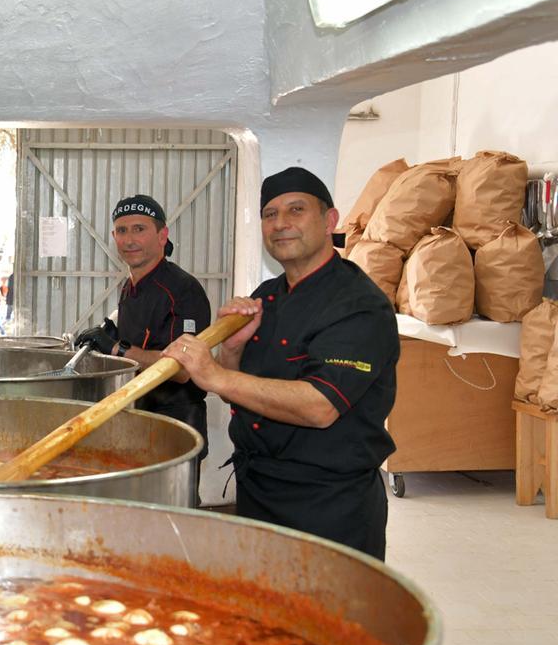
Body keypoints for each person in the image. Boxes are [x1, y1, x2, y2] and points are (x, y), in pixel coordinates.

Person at [162, 167, 397, 560]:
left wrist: (214, 374)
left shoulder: (359, 306)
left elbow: (320, 406)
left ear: (330, 220)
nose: (281, 224)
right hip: (258, 492)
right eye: (270, 215)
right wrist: (233, 349)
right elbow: (243, 389)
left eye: (296, 210)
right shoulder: (266, 297)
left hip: (328, 505)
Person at [75, 195, 212, 505]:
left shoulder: (182, 289)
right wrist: (109, 332)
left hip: (176, 426)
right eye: (121, 231)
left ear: (162, 235)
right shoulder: (131, 285)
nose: (129, 240)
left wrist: (118, 348)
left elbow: (181, 369)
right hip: (138, 421)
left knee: (173, 520)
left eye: (139, 229)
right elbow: (141, 336)